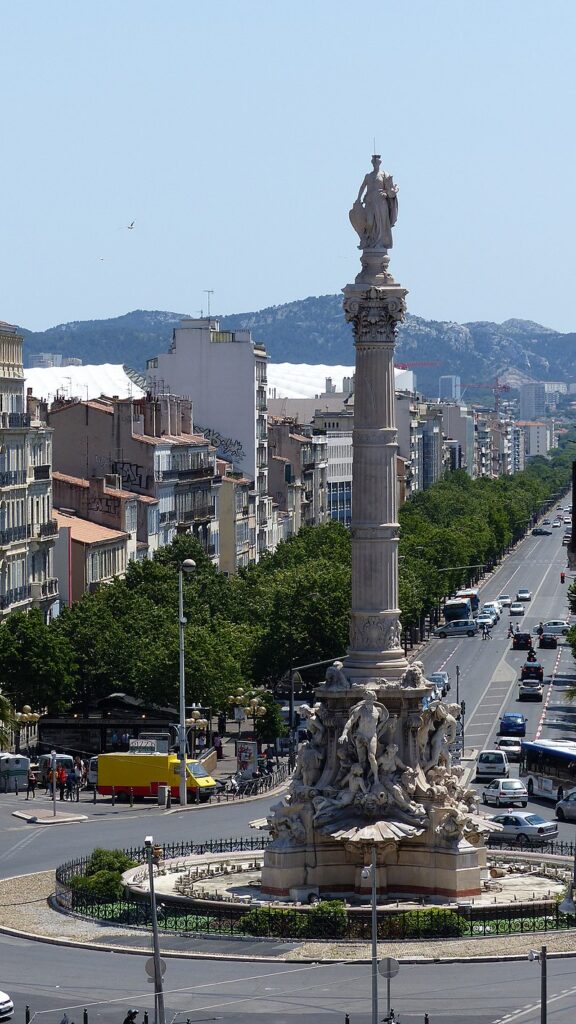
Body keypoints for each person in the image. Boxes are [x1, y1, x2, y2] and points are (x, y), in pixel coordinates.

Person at [351, 154, 399, 249]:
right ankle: (369, 240)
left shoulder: (384, 174)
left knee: (381, 223)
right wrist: (358, 198)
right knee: (369, 222)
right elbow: (362, 187)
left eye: (376, 163)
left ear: (379, 164)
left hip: (381, 202)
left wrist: (387, 193)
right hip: (370, 202)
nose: (375, 164)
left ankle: (379, 243)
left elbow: (391, 189)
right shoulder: (368, 176)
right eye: (374, 163)